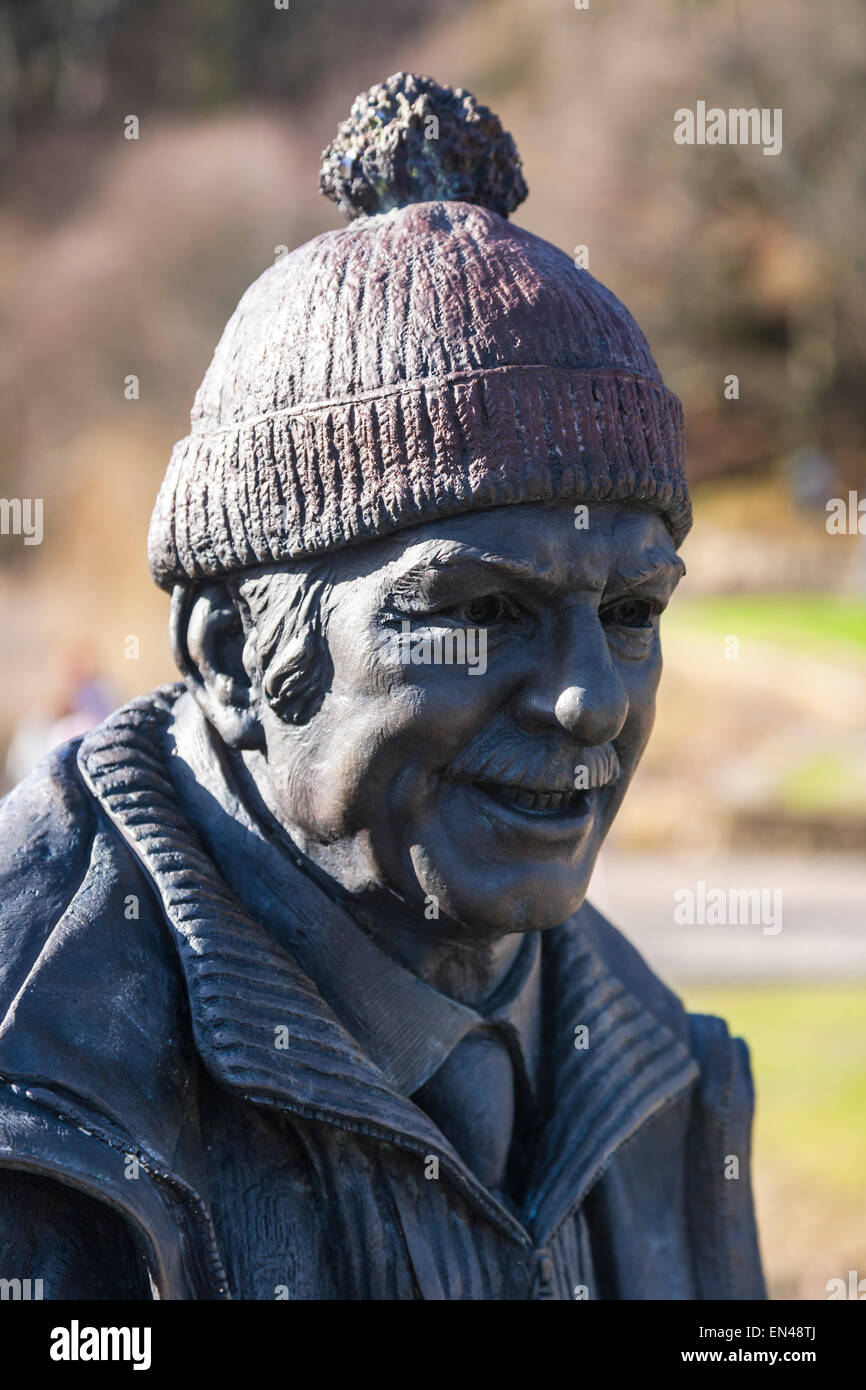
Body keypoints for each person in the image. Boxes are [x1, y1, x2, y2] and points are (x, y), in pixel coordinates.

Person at [0, 73, 765, 1300]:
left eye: (629, 614)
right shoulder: (34, 1074)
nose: (586, 703)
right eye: (478, 612)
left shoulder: (667, 1071)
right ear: (234, 656)